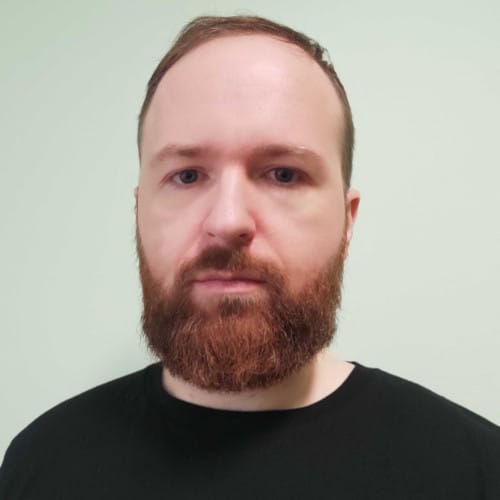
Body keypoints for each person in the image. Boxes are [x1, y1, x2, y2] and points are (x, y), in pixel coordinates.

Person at [1, 15, 499, 500]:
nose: (228, 220)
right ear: (139, 213)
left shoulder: (476, 472)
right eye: (187, 176)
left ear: (347, 221)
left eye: (283, 174)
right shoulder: (39, 467)